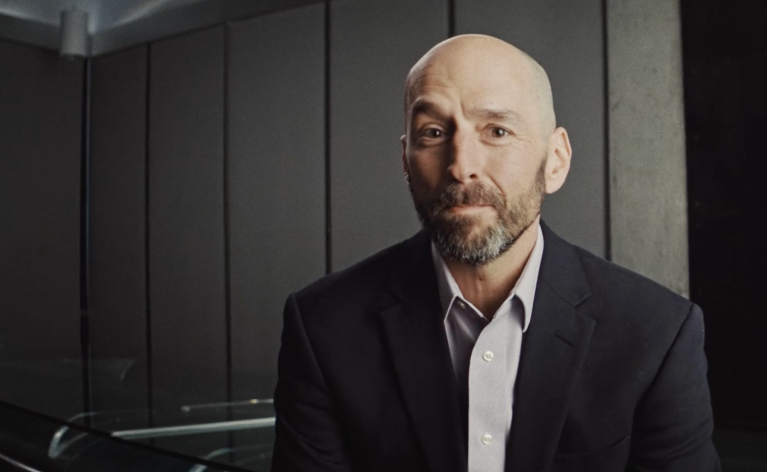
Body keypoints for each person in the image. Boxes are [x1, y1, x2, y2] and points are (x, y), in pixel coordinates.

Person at [271, 35, 719, 472]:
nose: (461, 165)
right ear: (406, 161)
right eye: (433, 132)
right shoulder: (324, 328)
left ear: (556, 160)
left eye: (497, 131)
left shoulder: (657, 334)